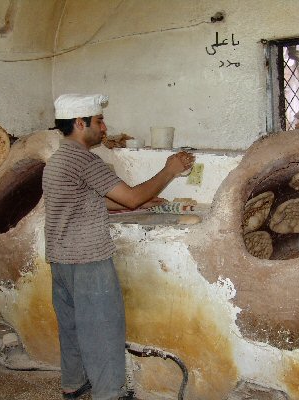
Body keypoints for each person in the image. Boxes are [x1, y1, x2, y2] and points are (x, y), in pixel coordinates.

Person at [43, 93, 194, 400]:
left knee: (72, 327)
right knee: (103, 329)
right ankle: (109, 393)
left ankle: (73, 383)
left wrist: (140, 201)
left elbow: (95, 199)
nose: (104, 127)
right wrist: (170, 170)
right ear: (79, 123)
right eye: (98, 121)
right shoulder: (85, 160)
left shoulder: (58, 160)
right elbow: (130, 197)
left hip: (61, 259)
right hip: (88, 259)